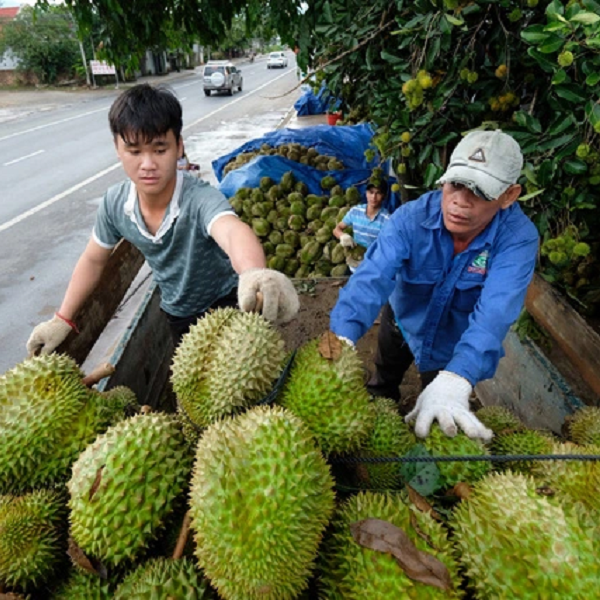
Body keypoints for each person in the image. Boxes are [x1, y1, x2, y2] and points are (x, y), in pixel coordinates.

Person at [27, 84, 299, 354]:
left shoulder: (198, 198)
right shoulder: (115, 204)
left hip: (228, 300)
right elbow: (93, 259)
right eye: (134, 151)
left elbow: (231, 231)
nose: (147, 164)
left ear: (179, 147)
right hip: (177, 313)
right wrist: (62, 319)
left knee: (245, 374)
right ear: (117, 148)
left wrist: (253, 273)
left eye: (159, 150)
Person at [330, 130, 539, 442]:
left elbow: (495, 313)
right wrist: (340, 338)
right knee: (382, 377)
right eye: (455, 185)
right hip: (402, 321)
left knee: (438, 421)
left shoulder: (517, 240)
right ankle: (377, 413)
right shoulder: (410, 220)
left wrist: (458, 377)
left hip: (451, 345)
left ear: (509, 195)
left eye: (479, 192)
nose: (459, 201)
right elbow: (370, 279)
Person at [333, 180, 390, 271]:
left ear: (384, 196)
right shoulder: (355, 211)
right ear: (366, 193)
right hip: (355, 265)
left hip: (374, 268)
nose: (373, 197)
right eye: (371, 192)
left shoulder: (387, 219)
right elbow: (337, 229)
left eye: (378, 193)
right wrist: (342, 235)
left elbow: (389, 248)